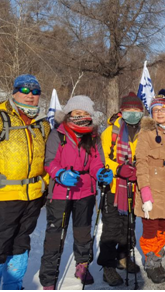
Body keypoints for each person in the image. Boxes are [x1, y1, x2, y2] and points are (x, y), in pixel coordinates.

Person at [0, 74, 51, 290]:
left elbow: (47, 160)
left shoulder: (42, 125)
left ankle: (13, 285)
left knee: (21, 242)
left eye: (35, 92)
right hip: (4, 196)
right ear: (14, 92)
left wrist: (44, 186)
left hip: (33, 196)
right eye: (25, 91)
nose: (30, 96)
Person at [39, 95, 113, 289]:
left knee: (83, 233)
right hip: (60, 192)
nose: (81, 117)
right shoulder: (58, 134)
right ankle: (48, 278)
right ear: (69, 114)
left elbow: (97, 162)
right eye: (77, 113)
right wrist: (60, 173)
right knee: (55, 236)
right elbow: (49, 162)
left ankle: (82, 265)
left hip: (85, 191)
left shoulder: (94, 135)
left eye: (85, 113)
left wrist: (101, 173)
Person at [134, 90, 165, 284]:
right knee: (151, 227)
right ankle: (151, 260)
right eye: (156, 110)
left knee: (163, 225)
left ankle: (158, 254)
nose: (160, 113)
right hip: (152, 190)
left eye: (164, 109)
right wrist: (145, 191)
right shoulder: (145, 134)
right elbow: (141, 162)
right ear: (151, 113)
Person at [97, 92, 144, 286]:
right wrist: (118, 168)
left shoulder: (146, 131)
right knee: (111, 228)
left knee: (129, 225)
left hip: (135, 187)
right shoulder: (110, 132)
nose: (132, 113)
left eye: (136, 110)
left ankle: (123, 256)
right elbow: (102, 159)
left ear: (141, 112)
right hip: (114, 187)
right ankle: (108, 265)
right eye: (128, 110)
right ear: (121, 111)